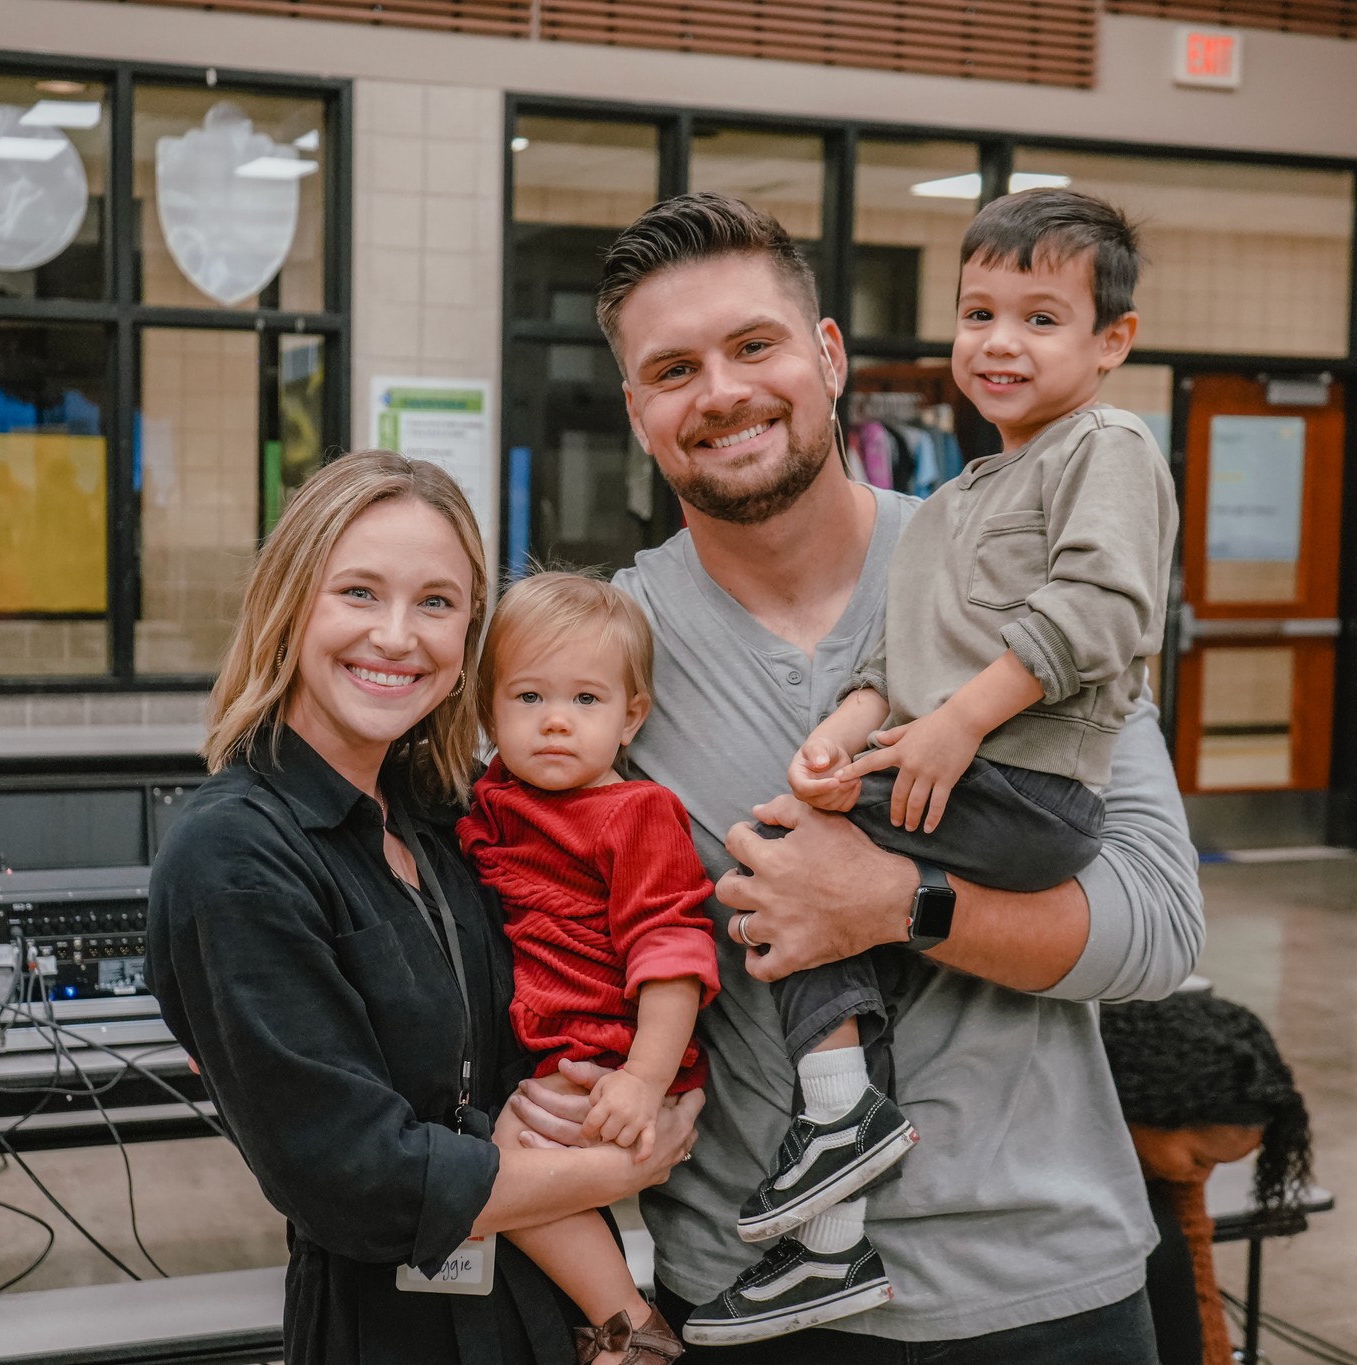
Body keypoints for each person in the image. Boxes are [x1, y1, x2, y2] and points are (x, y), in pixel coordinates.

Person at [505, 192, 1204, 1361]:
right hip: (749, 1290)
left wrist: (895, 907)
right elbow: (537, 919)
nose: (720, 392)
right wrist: (553, 1085)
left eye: (753, 345)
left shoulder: (1020, 559)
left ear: (826, 357)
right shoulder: (594, 661)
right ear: (635, 410)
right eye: (671, 369)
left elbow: (1156, 929)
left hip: (1043, 1280)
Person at [145, 451, 703, 1365]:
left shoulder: (451, 814)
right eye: (359, 592)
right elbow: (357, 1179)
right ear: (290, 605)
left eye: (437, 603)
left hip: (549, 1314)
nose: (398, 637)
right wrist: (627, 1163)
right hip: (390, 1334)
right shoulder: (235, 853)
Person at [459, 571, 723, 1362]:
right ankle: (625, 1324)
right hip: (556, 1045)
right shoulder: (495, 800)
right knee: (503, 1175)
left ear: (630, 715)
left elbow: (670, 954)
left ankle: (631, 1330)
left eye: (585, 701)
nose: (555, 724)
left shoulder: (635, 813)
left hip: (615, 1051)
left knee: (503, 1178)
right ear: (489, 710)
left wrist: (644, 1077)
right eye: (529, 698)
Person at [1100, 991, 1314, 1365]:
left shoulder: (1166, 1163)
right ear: (1148, 1104)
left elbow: (1195, 1266)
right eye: (1201, 1159)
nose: (1202, 1176)